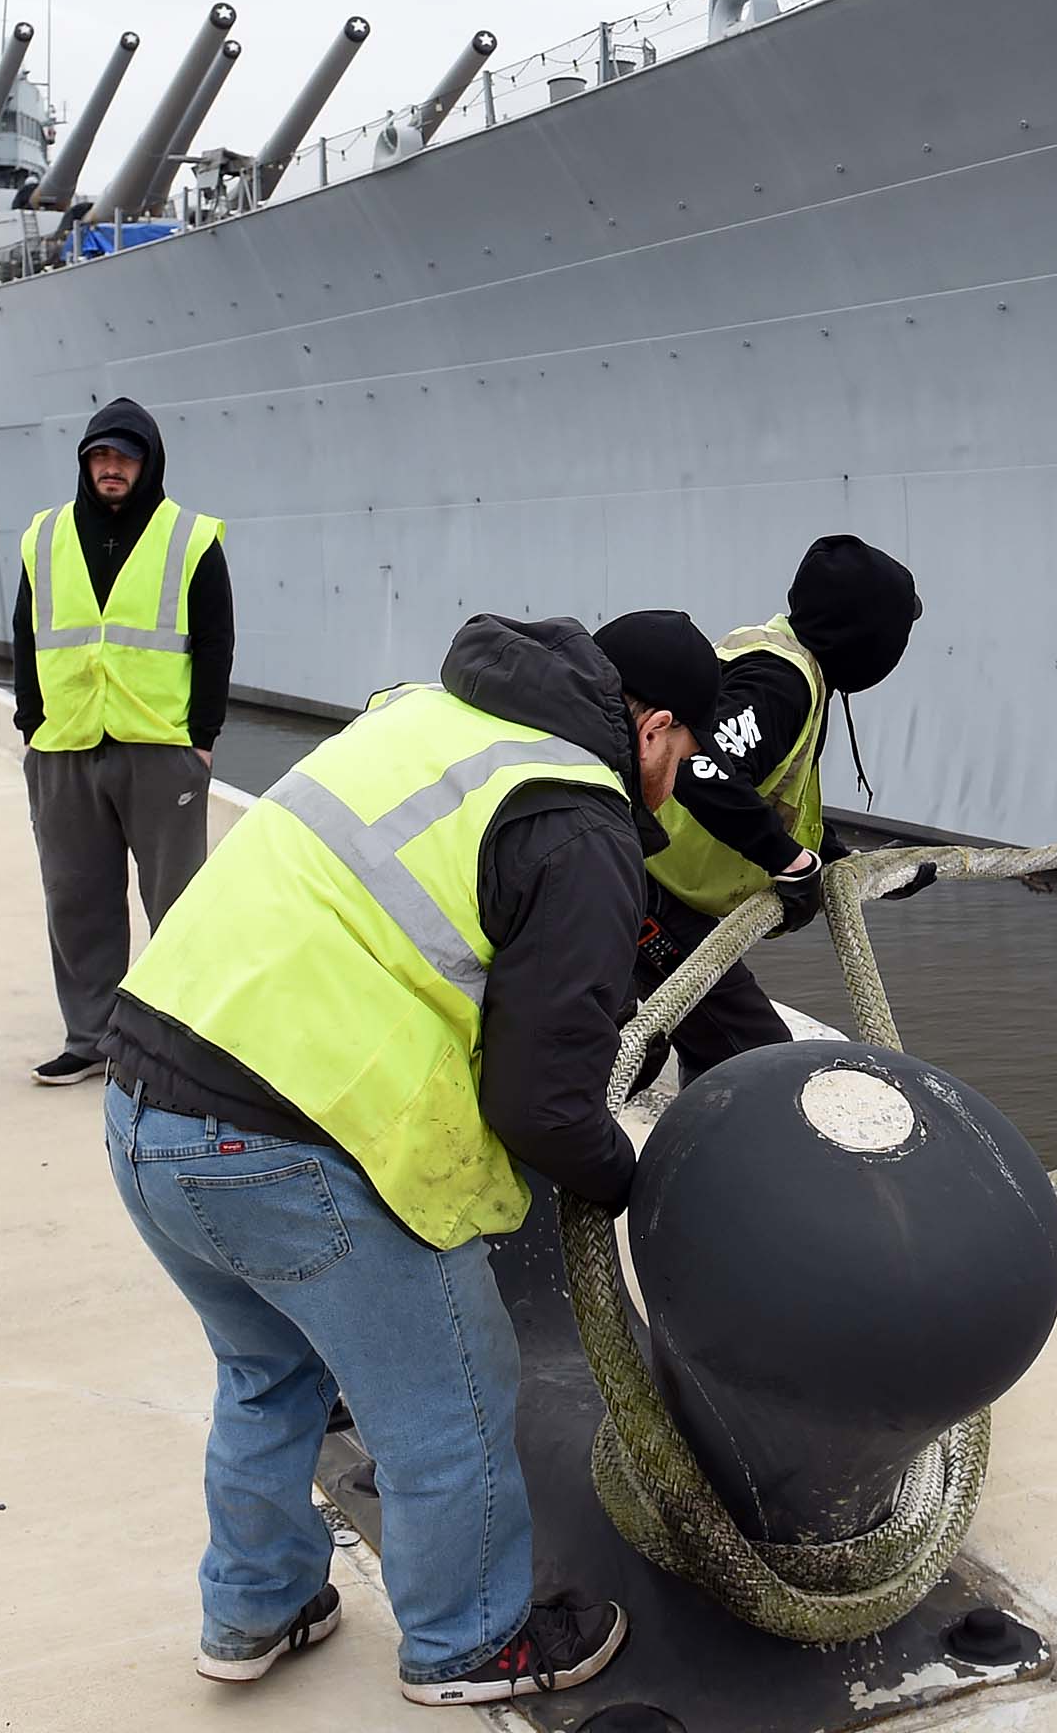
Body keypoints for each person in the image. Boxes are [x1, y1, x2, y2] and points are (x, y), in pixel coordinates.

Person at [99, 607, 726, 1705]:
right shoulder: (580, 823)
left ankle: (255, 1609)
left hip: (145, 1104)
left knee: (268, 1373)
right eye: (681, 757)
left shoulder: (434, 714)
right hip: (284, 1146)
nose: (673, 782)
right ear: (655, 729)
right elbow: (540, 1102)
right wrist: (628, 1184)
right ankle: (468, 1643)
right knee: (451, 1403)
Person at [633, 536, 925, 1082]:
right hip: (651, 892)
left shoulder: (784, 662)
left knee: (698, 1040)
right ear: (865, 635)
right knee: (754, 1058)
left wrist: (848, 859)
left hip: (653, 883)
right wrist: (787, 862)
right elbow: (702, 771)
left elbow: (773, 793)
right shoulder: (781, 682)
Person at [11, 397, 233, 1087]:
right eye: (100, 457)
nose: (111, 469)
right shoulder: (44, 536)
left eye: (124, 457)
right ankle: (91, 1037)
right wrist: (29, 724)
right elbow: (25, 633)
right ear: (85, 463)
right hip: (65, 746)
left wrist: (202, 737)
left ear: (148, 464)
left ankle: (173, 1044)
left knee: (176, 903)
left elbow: (217, 641)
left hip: (161, 748)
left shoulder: (190, 537)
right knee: (76, 899)